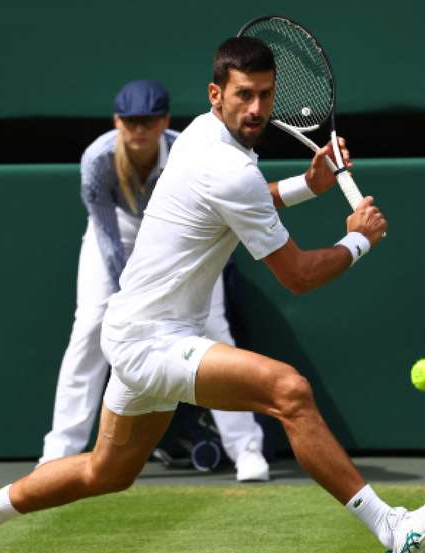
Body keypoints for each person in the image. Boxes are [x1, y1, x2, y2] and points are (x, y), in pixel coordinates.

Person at [0, 37, 425, 553]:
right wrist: (358, 242)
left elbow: (245, 199)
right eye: (244, 95)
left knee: (105, 471)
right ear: (215, 93)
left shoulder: (202, 136)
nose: (257, 109)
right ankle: (394, 531)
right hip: (151, 339)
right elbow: (297, 274)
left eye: (266, 96)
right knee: (289, 390)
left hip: (136, 331)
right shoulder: (226, 164)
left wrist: (310, 185)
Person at [39, 79, 269, 482]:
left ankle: (246, 449)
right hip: (119, 234)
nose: (139, 130)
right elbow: (107, 237)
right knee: (90, 325)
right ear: (117, 121)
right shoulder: (96, 160)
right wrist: (130, 298)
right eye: (130, 121)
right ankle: (59, 452)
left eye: (148, 121)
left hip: (180, 236)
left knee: (214, 328)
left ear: (164, 121)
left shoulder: (187, 151)